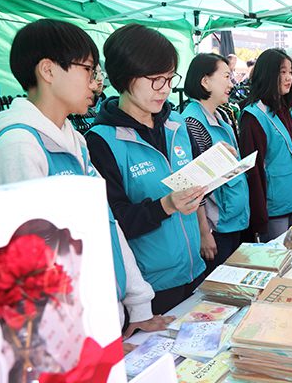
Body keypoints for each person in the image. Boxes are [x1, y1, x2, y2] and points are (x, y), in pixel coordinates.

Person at [0, 19, 167, 337]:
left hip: (104, 317)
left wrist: (138, 305)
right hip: (69, 337)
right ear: (49, 71)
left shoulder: (75, 140)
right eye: (89, 71)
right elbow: (32, 267)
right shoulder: (18, 145)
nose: (97, 84)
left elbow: (107, 226)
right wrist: (82, 339)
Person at [86, 24, 207, 315]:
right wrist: (165, 205)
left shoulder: (176, 125)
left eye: (169, 78)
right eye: (155, 79)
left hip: (196, 270)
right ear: (125, 77)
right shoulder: (101, 141)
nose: (165, 88)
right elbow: (115, 223)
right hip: (149, 289)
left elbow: (193, 185)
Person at [181, 53, 250, 275]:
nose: (231, 84)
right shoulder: (193, 122)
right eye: (226, 77)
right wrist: (203, 231)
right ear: (205, 81)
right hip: (216, 226)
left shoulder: (221, 117)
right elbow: (193, 184)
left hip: (232, 219)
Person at [239, 48, 292, 242]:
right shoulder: (253, 117)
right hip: (275, 207)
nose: (289, 77)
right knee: (278, 260)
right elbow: (253, 171)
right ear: (268, 74)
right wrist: (259, 217)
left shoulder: (287, 109)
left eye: (290, 71)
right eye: (282, 72)